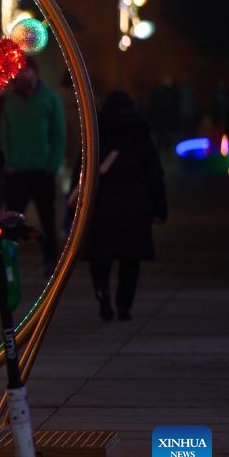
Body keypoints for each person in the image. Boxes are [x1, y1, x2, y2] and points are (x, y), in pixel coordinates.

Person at [84, 91, 167, 321]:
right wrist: (160, 209)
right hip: (134, 205)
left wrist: (76, 206)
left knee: (100, 256)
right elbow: (155, 176)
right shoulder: (141, 135)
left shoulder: (97, 133)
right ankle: (124, 304)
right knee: (130, 259)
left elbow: (82, 170)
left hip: (102, 205)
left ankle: (102, 293)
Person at [0, 56, 65, 275]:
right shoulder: (10, 100)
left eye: (27, 71)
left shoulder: (50, 99)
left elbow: (58, 134)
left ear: (36, 73)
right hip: (16, 171)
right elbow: (4, 134)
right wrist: (8, 162)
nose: (23, 75)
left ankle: (51, 260)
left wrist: (52, 165)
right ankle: (10, 263)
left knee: (47, 218)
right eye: (20, 71)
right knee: (12, 222)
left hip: (42, 171)